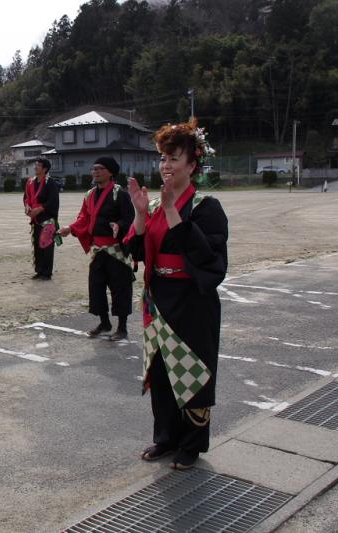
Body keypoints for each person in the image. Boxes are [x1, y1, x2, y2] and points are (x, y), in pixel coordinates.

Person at [123, 118, 228, 470]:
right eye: (163, 159)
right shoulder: (151, 207)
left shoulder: (205, 207)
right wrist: (140, 215)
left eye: (174, 159)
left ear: (192, 165)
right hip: (159, 299)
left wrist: (171, 210)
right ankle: (165, 437)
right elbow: (136, 251)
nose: (166, 166)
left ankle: (191, 444)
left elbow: (208, 258)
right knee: (163, 372)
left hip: (192, 302)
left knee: (192, 374)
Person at [58, 157, 134, 341]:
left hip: (116, 250)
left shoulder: (120, 194)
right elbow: (84, 218)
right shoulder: (89, 194)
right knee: (96, 287)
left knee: (120, 288)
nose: (95, 172)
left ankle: (122, 327)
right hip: (98, 250)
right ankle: (104, 322)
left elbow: (130, 219)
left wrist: (119, 225)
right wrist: (70, 228)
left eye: (100, 168)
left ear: (110, 172)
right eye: (94, 168)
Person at [22, 158, 60, 280]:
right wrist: (27, 207)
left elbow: (53, 201)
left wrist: (41, 209)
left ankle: (47, 272)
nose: (35, 167)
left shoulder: (50, 182)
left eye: (38, 165)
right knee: (37, 245)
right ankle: (39, 270)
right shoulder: (30, 182)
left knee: (46, 245)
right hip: (35, 220)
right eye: (35, 165)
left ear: (45, 169)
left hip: (47, 219)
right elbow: (26, 197)